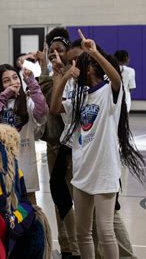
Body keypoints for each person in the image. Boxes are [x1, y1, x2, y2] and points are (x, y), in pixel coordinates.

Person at [50, 30, 146, 259]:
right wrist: (63, 76)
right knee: (83, 232)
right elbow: (54, 108)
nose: (73, 66)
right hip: (82, 171)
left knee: (106, 231)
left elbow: (115, 78)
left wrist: (95, 52)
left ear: (90, 68)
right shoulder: (79, 96)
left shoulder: (108, 92)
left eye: (79, 63)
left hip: (104, 172)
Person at [37, 27, 81, 258]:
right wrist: (50, 71)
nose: (56, 54)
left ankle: (84, 244)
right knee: (60, 198)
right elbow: (48, 104)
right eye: (51, 51)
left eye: (60, 50)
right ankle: (67, 247)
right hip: (55, 146)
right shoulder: (47, 77)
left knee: (80, 198)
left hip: (78, 147)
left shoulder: (79, 73)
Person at [0, 64, 48, 205]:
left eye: (15, 78)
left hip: (26, 166)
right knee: (6, 210)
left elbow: (42, 113)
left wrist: (32, 83)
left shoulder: (28, 102)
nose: (13, 83)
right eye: (6, 81)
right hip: (2, 168)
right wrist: (2, 98)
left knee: (30, 209)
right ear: (0, 85)